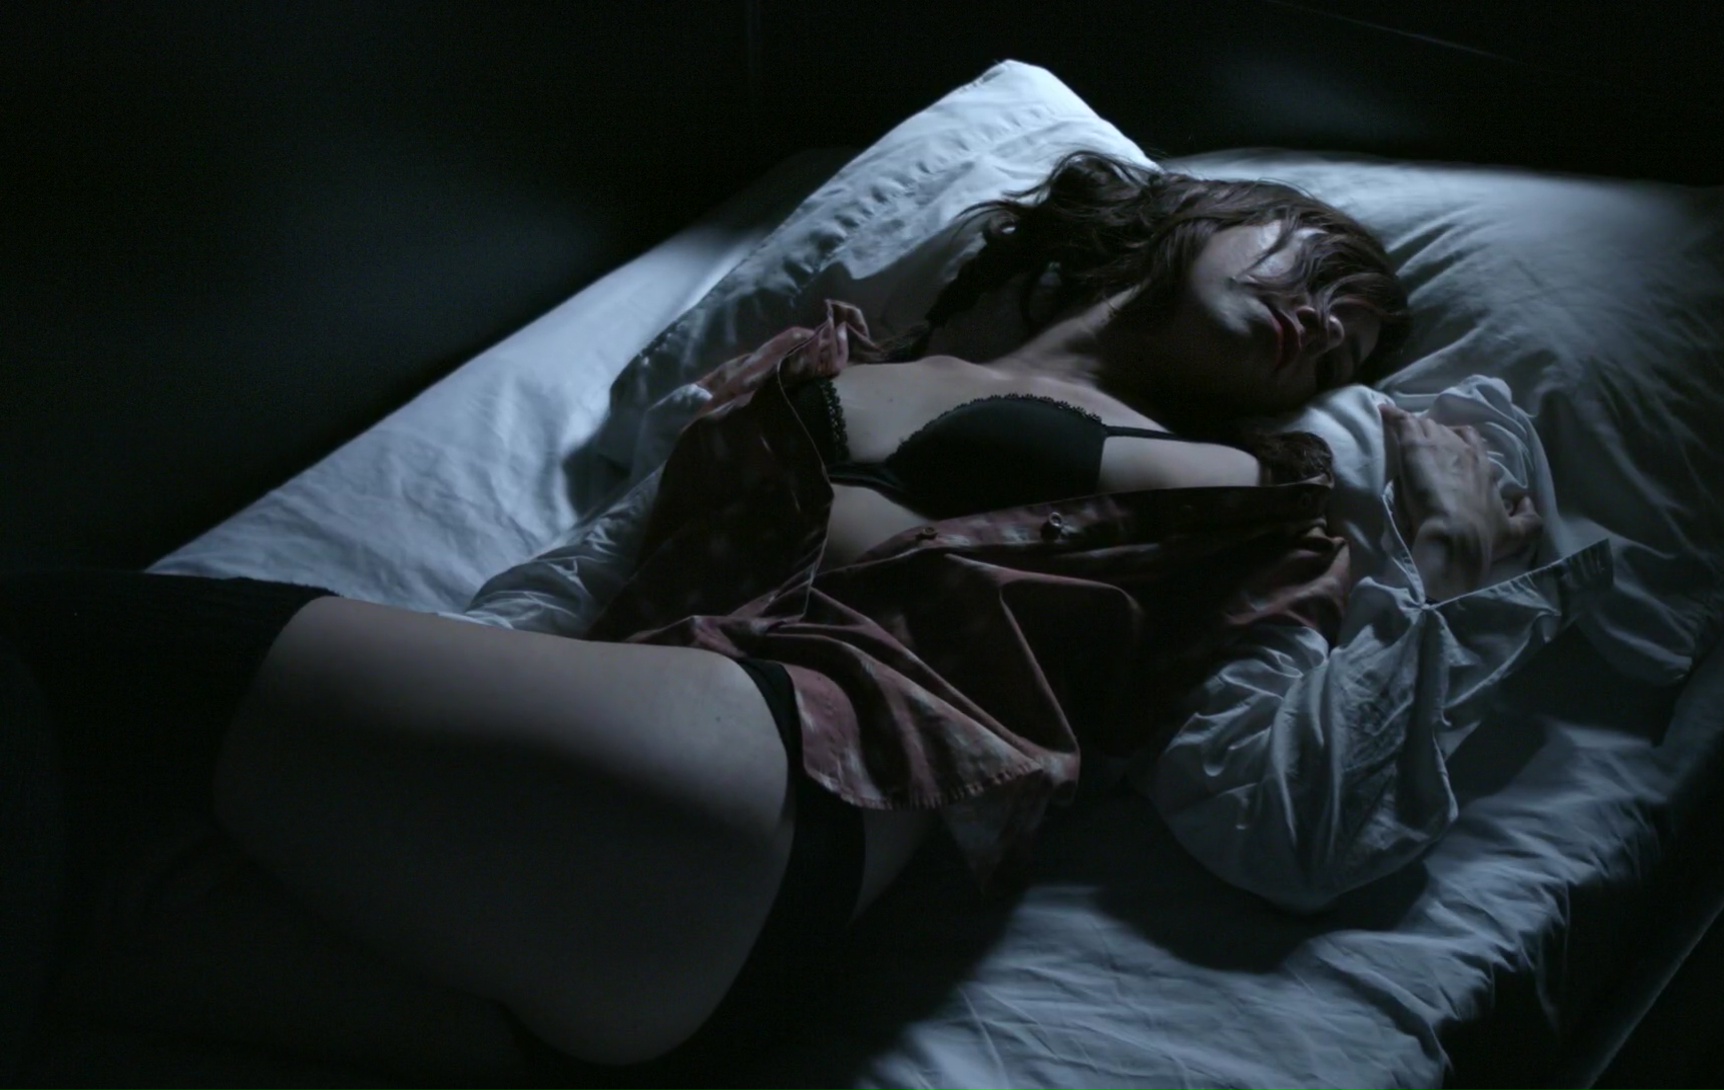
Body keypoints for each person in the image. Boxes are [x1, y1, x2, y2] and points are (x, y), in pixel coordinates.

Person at [0, 151, 1541, 1085]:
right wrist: (462, 720)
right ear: (1196, 215)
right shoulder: (817, 364)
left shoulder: (1258, 502)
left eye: (1351, 338)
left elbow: (1282, 823)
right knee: (68, 894)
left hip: (764, 804)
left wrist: (1454, 573)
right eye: (1317, 263)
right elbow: (579, 579)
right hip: (627, 933)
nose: (1325, 319)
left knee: (62, 649)